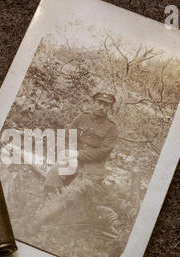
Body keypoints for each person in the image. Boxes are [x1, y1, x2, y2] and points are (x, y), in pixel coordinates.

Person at [32, 92, 119, 227]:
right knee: (55, 172)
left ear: (110, 108)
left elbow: (102, 153)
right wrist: (70, 154)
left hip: (93, 165)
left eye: (106, 105)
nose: (101, 107)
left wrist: (77, 154)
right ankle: (46, 206)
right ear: (94, 103)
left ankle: (62, 218)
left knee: (79, 189)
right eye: (99, 103)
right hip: (72, 157)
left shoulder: (112, 128)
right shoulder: (82, 118)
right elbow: (67, 137)